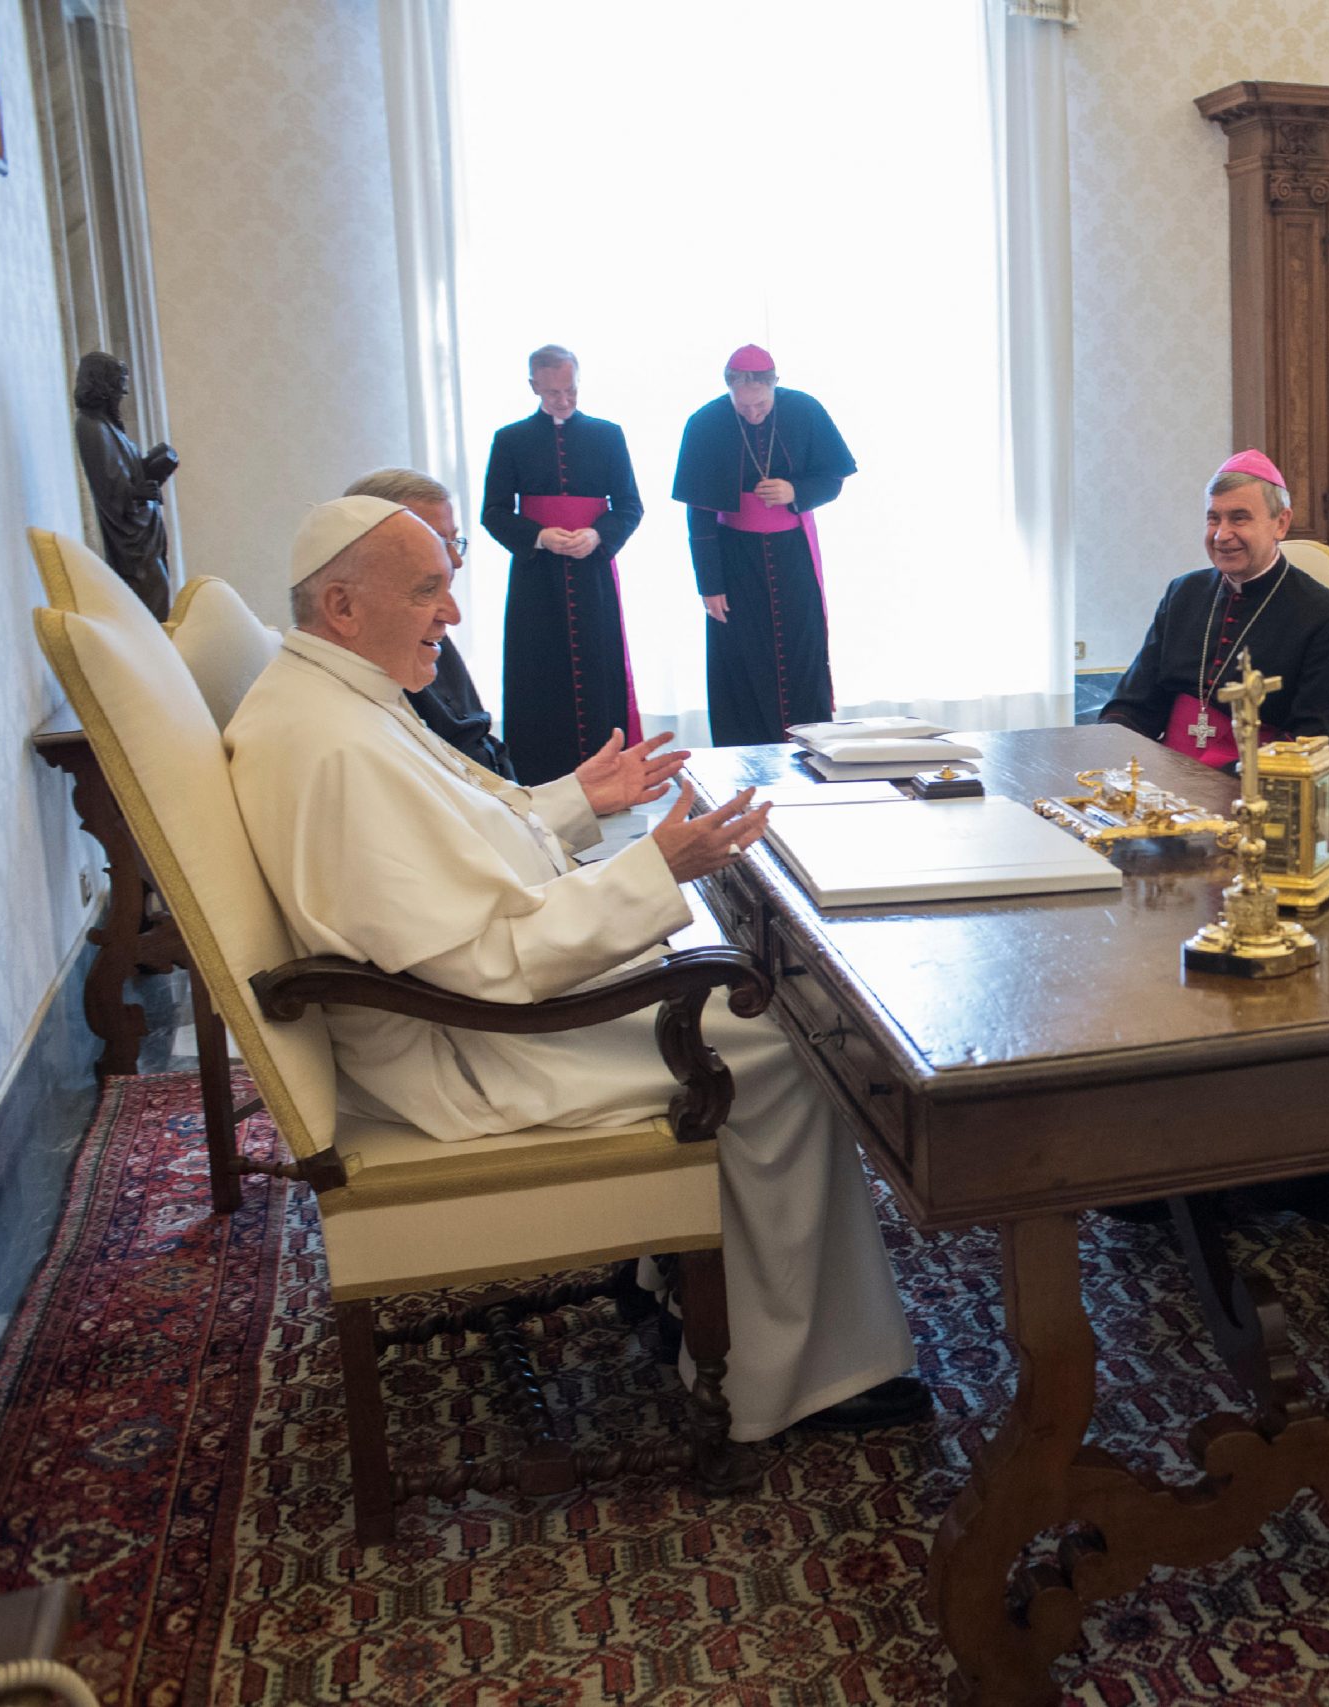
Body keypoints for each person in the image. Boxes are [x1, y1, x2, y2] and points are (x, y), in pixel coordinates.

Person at [226, 495, 930, 1440]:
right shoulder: (337, 743)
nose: (454, 614)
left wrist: (573, 801)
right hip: (469, 1049)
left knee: (731, 987)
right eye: (429, 589)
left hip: (458, 1005)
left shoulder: (332, 696)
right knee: (784, 1044)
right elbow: (484, 959)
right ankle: (798, 1372)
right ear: (343, 606)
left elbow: (459, 855)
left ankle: (681, 1276)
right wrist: (656, 869)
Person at [1099, 450, 1329, 769]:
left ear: (1281, 523)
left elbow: (1314, 738)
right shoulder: (1183, 593)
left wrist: (1220, 781)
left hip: (1255, 786)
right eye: (1213, 518)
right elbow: (1133, 704)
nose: (1222, 535)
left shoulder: (1326, 615)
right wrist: (1118, 755)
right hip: (1166, 779)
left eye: (1239, 518)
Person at [478, 344, 648, 783]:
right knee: (539, 674)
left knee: (598, 667)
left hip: (592, 571)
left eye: (569, 389)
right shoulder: (510, 439)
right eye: (553, 391)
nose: (563, 399)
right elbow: (493, 513)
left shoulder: (607, 435)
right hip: (537, 576)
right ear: (534, 385)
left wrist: (597, 535)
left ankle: (606, 774)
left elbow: (629, 506)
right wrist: (539, 536)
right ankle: (542, 779)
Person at [673, 345, 856, 744]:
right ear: (729, 390)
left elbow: (833, 479)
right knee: (740, 661)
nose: (754, 413)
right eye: (744, 407)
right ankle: (745, 762)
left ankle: (811, 752)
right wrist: (710, 584)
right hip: (733, 557)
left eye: (761, 405)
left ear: (774, 385)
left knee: (802, 654)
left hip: (793, 555)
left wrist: (795, 489)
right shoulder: (705, 423)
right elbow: (699, 513)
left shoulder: (805, 410)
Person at [347, 467, 515, 779]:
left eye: (456, 541)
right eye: (438, 542)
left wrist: (575, 794)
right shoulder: (376, 647)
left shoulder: (430, 626)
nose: (456, 560)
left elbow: (477, 738)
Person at [71, 351, 180, 618]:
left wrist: (152, 468)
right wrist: (136, 491)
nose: (124, 393)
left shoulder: (108, 426)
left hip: (144, 535)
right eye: (119, 386)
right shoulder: (91, 427)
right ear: (103, 385)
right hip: (131, 546)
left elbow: (125, 474)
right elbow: (107, 490)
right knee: (152, 599)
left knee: (159, 595)